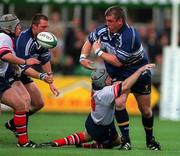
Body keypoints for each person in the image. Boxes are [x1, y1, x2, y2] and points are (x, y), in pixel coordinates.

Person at [79, 6, 161, 150]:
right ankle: (126, 141)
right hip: (120, 74)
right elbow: (89, 41)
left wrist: (98, 52)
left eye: (110, 21)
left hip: (140, 72)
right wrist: (82, 57)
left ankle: (150, 140)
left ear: (120, 21)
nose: (107, 24)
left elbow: (118, 61)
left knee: (146, 110)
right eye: (106, 20)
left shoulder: (130, 35)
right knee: (119, 102)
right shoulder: (102, 30)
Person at [39, 64, 155, 149]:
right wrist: (139, 70)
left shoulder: (96, 89)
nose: (111, 78)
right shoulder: (105, 93)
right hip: (103, 128)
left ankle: (57, 142)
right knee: (117, 142)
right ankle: (87, 147)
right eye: (108, 77)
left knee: (86, 135)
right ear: (104, 82)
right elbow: (125, 85)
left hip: (92, 121)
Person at [0, 14, 52, 147]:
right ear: (10, 27)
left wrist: (50, 78)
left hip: (7, 75)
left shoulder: (10, 38)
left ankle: (18, 131)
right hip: (9, 75)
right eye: (17, 25)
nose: (20, 27)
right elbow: (5, 55)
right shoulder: (6, 37)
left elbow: (45, 59)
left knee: (26, 103)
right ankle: (22, 140)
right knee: (22, 104)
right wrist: (24, 62)